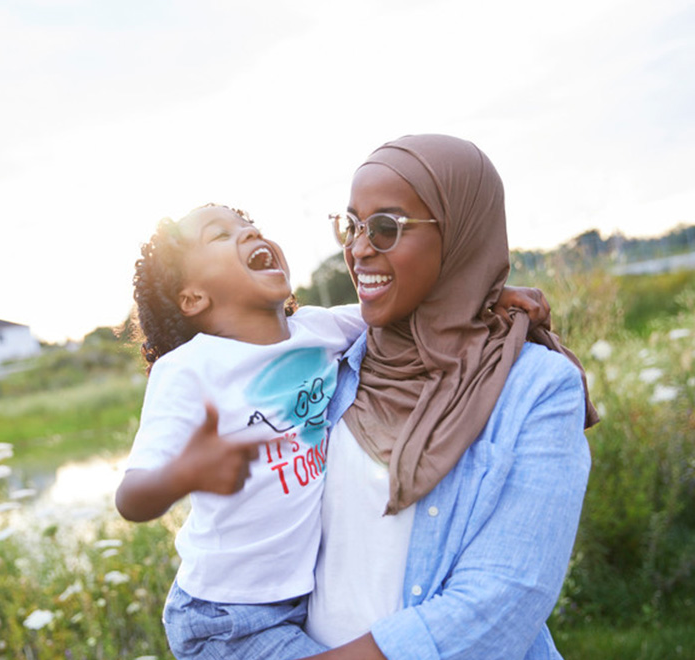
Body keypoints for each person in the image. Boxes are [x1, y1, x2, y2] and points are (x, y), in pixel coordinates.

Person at [115, 202, 548, 660]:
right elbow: (132, 497)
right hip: (226, 616)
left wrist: (490, 296)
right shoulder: (190, 368)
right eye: (220, 236)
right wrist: (184, 473)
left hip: (302, 599)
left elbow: (413, 310)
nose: (248, 234)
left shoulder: (319, 328)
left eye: (251, 226)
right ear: (192, 299)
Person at [302, 134, 599, 660]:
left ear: (461, 236)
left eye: (388, 227)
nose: (359, 249)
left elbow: (504, 598)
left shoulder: (537, 388)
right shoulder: (328, 368)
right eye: (352, 226)